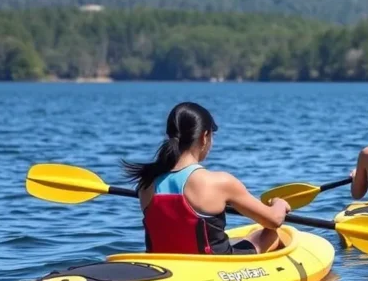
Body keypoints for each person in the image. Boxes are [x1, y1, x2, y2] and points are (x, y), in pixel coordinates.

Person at [122, 102, 291, 255]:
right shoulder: (219, 182)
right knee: (268, 234)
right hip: (214, 267)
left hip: (164, 266)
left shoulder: (146, 182)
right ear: (204, 137)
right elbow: (273, 220)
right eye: (212, 136)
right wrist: (279, 204)